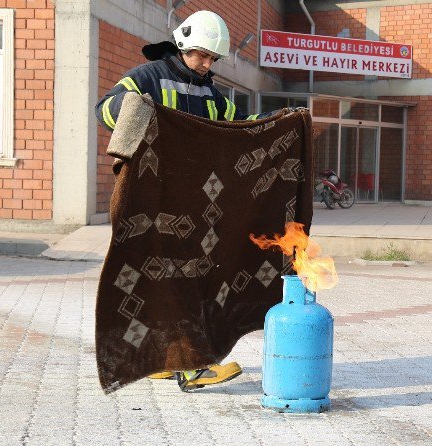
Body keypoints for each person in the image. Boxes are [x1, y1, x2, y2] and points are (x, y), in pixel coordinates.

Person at [95, 10, 263, 391]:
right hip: (153, 201)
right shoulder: (147, 77)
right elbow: (105, 109)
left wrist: (273, 122)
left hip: (193, 203)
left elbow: (237, 126)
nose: (206, 65)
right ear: (183, 44)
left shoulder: (210, 93)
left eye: (212, 59)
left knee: (175, 279)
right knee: (180, 279)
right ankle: (192, 365)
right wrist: (134, 109)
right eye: (201, 55)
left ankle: (161, 359)